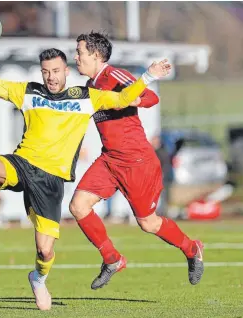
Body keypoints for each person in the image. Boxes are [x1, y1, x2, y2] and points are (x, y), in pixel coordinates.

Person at [0, 41, 170, 310]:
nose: (51, 77)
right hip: (23, 162)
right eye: (46, 72)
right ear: (41, 72)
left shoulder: (86, 96)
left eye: (56, 71)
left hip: (51, 181)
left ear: (66, 71)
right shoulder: (28, 92)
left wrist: (148, 76)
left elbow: (124, 98)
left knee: (45, 250)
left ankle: (38, 278)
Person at [69, 31, 204, 290]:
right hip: (109, 160)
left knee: (148, 223)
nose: (76, 57)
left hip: (137, 161)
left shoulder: (114, 76)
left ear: (96, 56)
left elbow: (153, 97)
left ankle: (191, 248)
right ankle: (112, 259)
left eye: (80, 53)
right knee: (78, 206)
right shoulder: (89, 88)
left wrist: (135, 98)